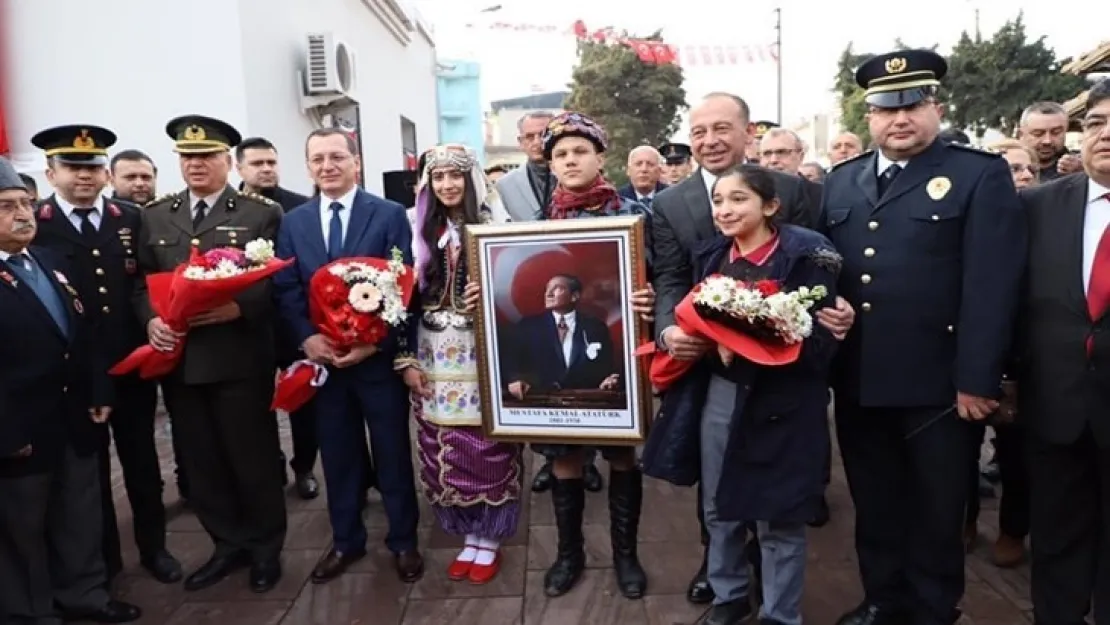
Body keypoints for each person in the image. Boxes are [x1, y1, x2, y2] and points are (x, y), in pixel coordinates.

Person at [820, 50, 1025, 625]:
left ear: (936, 106)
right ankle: (883, 600)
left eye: (912, 104)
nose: (899, 119)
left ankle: (935, 609)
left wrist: (978, 379)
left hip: (940, 385)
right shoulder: (841, 181)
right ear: (869, 115)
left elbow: (992, 286)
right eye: (885, 108)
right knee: (875, 503)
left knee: (938, 510)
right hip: (860, 379)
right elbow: (820, 268)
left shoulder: (977, 173)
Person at [651, 91, 852, 607]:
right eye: (698, 132)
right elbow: (674, 281)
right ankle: (728, 591)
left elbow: (826, 295)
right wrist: (672, 328)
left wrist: (839, 317)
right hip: (718, 386)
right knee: (719, 501)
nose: (710, 140)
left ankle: (779, 609)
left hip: (785, 393)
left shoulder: (804, 229)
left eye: (722, 128)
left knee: (779, 511)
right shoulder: (700, 240)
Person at [466, 111, 656, 600]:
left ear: (600, 157)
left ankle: (626, 555)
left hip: (618, 369)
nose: (570, 161)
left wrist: (652, 299)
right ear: (550, 163)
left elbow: (667, 273)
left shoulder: (638, 217)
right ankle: (568, 555)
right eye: (560, 154)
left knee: (621, 460)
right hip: (554, 379)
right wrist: (481, 297)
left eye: (579, 152)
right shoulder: (536, 225)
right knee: (566, 462)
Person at [136, 115, 287, 593]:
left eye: (206, 156)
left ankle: (265, 549)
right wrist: (151, 319)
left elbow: (278, 282)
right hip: (181, 362)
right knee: (202, 463)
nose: (196, 164)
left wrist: (237, 307)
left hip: (239, 359)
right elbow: (140, 278)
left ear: (227, 160)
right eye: (187, 157)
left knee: (253, 458)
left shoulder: (259, 213)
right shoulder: (157, 215)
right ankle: (226, 544)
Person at [272, 128, 425, 586]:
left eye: (337, 156)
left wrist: (374, 344)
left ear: (355, 162)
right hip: (325, 366)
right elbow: (285, 288)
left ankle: (403, 541)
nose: (327, 166)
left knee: (393, 453)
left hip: (374, 362)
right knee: (337, 456)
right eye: (317, 159)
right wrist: (307, 341)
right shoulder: (293, 222)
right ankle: (346, 541)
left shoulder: (388, 214)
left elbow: (404, 282)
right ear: (308, 166)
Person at [29, 125, 180, 585]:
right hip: (73, 373)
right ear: (50, 172)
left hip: (129, 363)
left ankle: (155, 549)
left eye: (93, 166)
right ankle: (105, 561)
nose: (84, 176)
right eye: (73, 167)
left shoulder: (130, 217)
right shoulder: (38, 223)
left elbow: (145, 282)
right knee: (88, 474)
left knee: (142, 464)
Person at [0, 156, 141, 624]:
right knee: (22, 529)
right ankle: (31, 613)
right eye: (5, 206)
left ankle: (86, 595)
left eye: (24, 202)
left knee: (79, 515)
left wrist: (98, 390)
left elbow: (86, 332)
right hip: (20, 428)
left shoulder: (48, 260)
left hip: (74, 415)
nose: (21, 214)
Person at [405, 143, 521, 584]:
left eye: (455, 176)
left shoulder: (495, 228)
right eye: (438, 178)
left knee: (484, 444)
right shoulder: (417, 228)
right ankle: (468, 535)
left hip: (481, 355)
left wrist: (486, 297)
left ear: (470, 181)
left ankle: (490, 538)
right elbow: (404, 298)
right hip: (433, 353)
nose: (447, 185)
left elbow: (516, 300)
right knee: (441, 441)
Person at [1016, 80, 1110, 625]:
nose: (1105, 133)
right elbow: (1010, 301)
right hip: (1056, 406)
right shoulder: (1036, 207)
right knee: (1056, 542)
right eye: (1095, 122)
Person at [495, 110, 605, 495]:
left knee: (583, 366)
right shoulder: (506, 185)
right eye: (529, 136)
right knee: (546, 364)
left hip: (582, 281)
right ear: (521, 141)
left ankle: (587, 459)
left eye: (545, 135)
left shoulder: (599, 192)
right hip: (536, 281)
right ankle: (550, 457)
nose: (537, 142)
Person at [960, 138, 1037, 568]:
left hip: (1026, 355)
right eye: (1009, 169)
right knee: (963, 445)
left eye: (1025, 169)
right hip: (975, 350)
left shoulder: (1049, 214)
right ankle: (965, 519)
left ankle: (1012, 528)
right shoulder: (976, 214)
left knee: (1015, 451)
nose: (1019, 177)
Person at [235, 136, 321, 500]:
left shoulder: (300, 207)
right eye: (257, 163)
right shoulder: (228, 210)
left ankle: (304, 468)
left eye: (271, 162)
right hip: (245, 326)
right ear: (239, 167)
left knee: (303, 401)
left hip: (292, 323)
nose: (267, 169)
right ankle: (269, 468)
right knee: (254, 406)